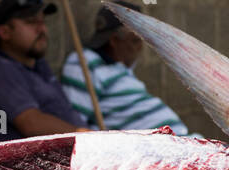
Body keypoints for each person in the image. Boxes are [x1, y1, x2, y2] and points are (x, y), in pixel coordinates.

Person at [60, 2, 191, 135]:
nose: (140, 47)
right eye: (135, 40)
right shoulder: (84, 63)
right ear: (114, 41)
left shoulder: (119, 68)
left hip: (182, 140)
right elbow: (78, 125)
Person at [0, 0, 89, 144]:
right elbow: (31, 124)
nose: (41, 29)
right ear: (5, 32)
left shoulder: (38, 65)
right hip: (24, 164)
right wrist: (85, 136)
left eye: (42, 22)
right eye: (31, 22)